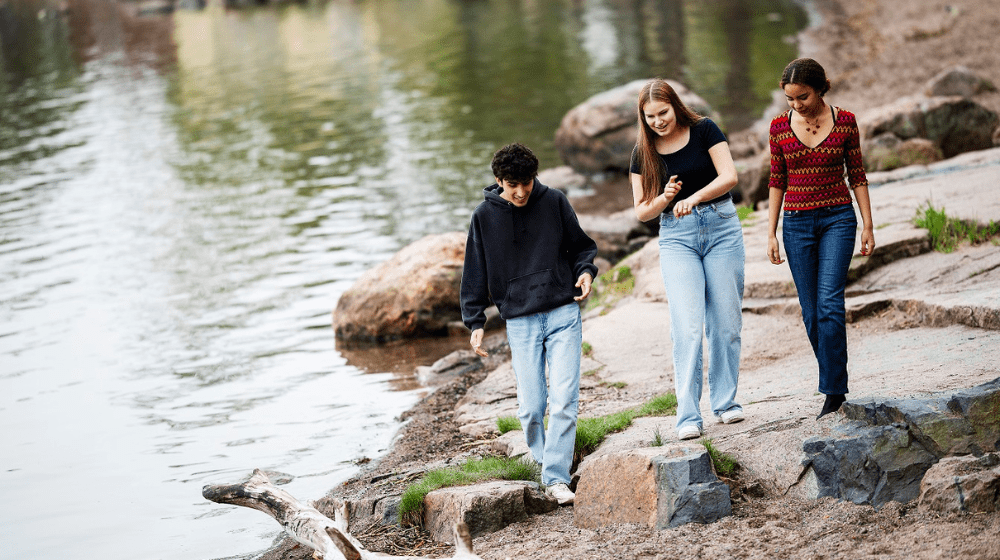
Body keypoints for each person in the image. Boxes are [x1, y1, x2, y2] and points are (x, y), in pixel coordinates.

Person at [460, 142, 598, 505]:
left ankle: (555, 477)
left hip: (562, 312)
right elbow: (475, 272)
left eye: (527, 183)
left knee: (564, 399)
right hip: (520, 321)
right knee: (533, 406)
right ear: (498, 180)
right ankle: (543, 458)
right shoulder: (483, 217)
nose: (521, 192)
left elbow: (581, 247)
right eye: (512, 185)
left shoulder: (554, 201)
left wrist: (585, 272)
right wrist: (475, 321)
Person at [629, 79, 745, 441]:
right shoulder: (643, 153)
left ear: (675, 106)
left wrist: (694, 198)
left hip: (722, 227)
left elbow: (730, 176)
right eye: (650, 117)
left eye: (663, 113)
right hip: (677, 238)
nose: (658, 122)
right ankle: (688, 416)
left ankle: (725, 403)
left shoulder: (705, 129)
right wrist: (666, 198)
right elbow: (642, 212)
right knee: (688, 327)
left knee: (726, 323)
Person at [766, 58, 875, 419]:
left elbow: (857, 174)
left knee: (829, 305)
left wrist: (868, 225)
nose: (796, 104)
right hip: (796, 224)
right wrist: (770, 232)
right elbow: (777, 179)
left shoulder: (846, 121)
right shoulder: (778, 127)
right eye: (790, 98)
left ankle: (833, 391)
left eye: (803, 96)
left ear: (820, 88)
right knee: (811, 313)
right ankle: (834, 380)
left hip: (837, 220)